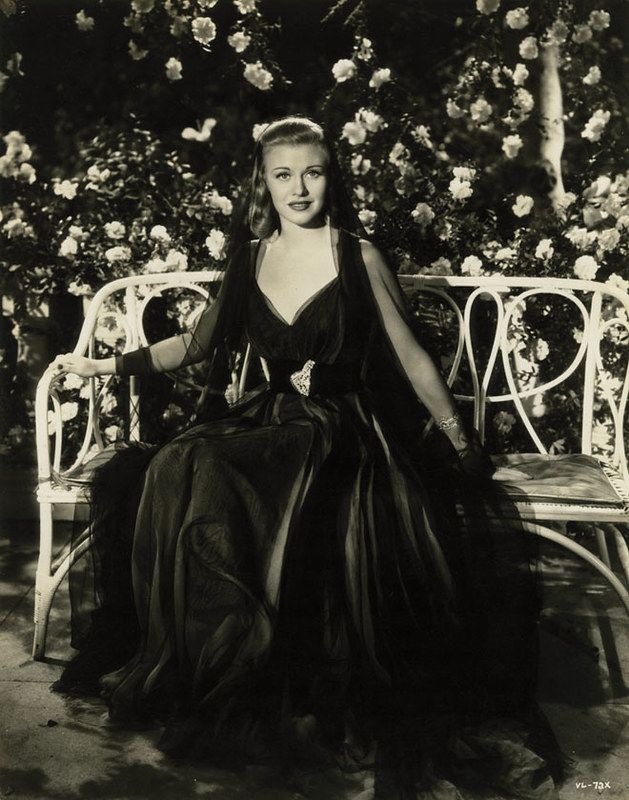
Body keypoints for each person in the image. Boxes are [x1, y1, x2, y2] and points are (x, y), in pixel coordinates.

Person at [51, 116, 561, 798]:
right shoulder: (250, 259)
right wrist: (99, 365)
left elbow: (409, 355)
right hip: (272, 417)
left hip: (345, 425)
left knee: (281, 462)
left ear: (331, 177)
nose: (298, 187)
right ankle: (228, 659)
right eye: (283, 174)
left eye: (312, 172)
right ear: (263, 182)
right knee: (183, 463)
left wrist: (461, 440)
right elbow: (195, 346)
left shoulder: (357, 254)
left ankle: (282, 666)